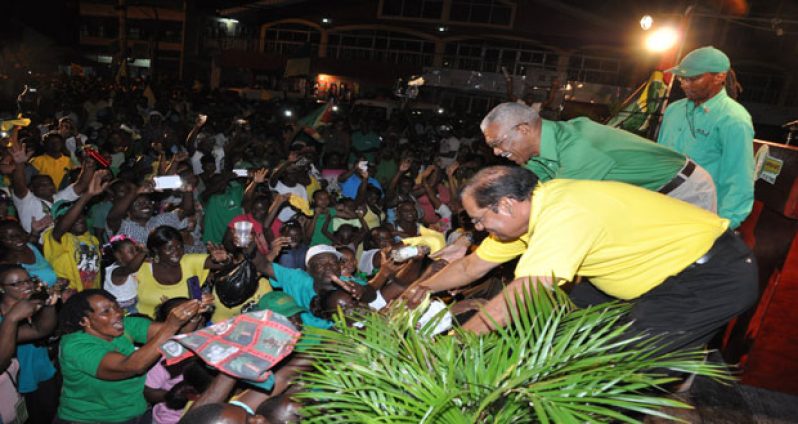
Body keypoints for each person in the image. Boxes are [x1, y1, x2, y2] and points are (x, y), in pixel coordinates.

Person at [406, 166, 758, 356]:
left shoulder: (564, 213)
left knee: (613, 367)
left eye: (479, 220)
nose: (479, 229)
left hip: (708, 275)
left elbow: (522, 294)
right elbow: (470, 266)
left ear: (508, 205)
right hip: (650, 274)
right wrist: (420, 287)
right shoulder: (526, 216)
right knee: (554, 325)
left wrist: (453, 346)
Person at [481, 101, 717, 212]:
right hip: (652, 196)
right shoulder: (537, 156)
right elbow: (526, 197)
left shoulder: (577, 146)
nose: (497, 152)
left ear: (523, 130)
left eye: (497, 143)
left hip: (685, 190)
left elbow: (555, 208)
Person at [56, 289, 207, 424]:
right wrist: (172, 325)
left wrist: (192, 315)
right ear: (85, 321)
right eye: (106, 312)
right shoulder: (76, 346)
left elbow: (177, 334)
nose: (118, 313)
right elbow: (132, 366)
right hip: (91, 418)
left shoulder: (126, 325)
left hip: (135, 412)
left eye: (116, 306)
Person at [658, 46, 755, 229]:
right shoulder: (673, 111)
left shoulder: (733, 119)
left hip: (698, 219)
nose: (684, 84)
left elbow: (739, 179)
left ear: (719, 77)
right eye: (682, 78)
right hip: (661, 209)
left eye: (693, 78)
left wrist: (724, 226)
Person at [0, 264, 60, 424]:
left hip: (41, 373)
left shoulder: (33, 304)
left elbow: (41, 330)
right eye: (16, 283)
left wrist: (49, 305)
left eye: (28, 280)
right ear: (1, 288)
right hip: (17, 382)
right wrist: (12, 317)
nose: (26, 286)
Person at [135, 226, 231, 319]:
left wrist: (225, 259)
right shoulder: (141, 268)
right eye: (169, 248)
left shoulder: (188, 261)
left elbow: (221, 264)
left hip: (188, 326)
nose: (177, 252)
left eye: (180, 247)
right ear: (156, 250)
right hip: (148, 328)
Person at [43, 171, 108, 291]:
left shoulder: (92, 239)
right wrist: (87, 195)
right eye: (72, 216)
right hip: (69, 297)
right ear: (57, 222)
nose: (78, 218)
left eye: (81, 214)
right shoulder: (56, 237)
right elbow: (63, 226)